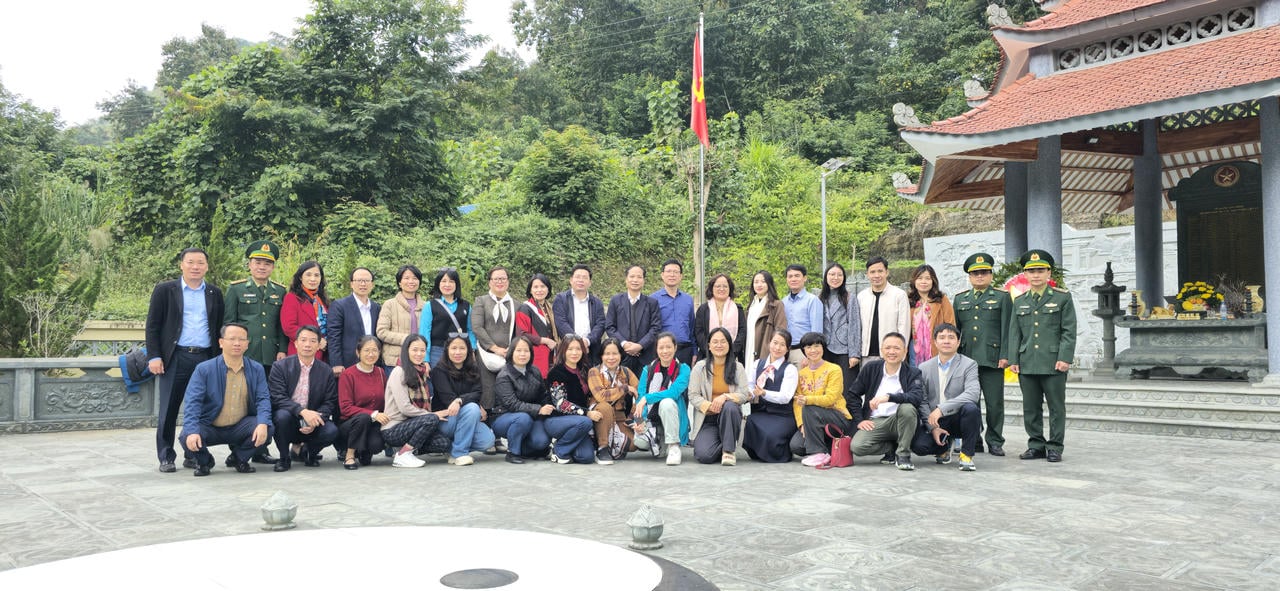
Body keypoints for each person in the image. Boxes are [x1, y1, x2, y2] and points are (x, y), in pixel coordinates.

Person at [146, 247, 227, 473]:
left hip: (205, 357)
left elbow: (219, 327)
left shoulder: (214, 293)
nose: (195, 267)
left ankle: (192, 453)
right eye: (190, 262)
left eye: (200, 263)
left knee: (201, 408)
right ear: (181, 264)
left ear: (207, 266)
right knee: (169, 408)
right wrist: (154, 355)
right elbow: (152, 325)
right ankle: (166, 455)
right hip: (175, 357)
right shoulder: (165, 290)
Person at [1008, 249, 1077, 463]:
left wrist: (1065, 358)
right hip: (1027, 362)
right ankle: (1036, 444)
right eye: (1031, 271)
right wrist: (1013, 360)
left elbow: (1069, 331)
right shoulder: (1019, 301)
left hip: (1053, 362)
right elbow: (1014, 333)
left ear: (1049, 273)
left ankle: (1055, 446)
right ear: (1025, 275)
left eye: (1040, 270)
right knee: (1030, 407)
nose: (1036, 275)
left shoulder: (1062, 298)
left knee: (1056, 407)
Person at [179, 323, 273, 476]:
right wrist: (192, 431)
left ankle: (239, 458)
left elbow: (263, 399)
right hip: (210, 425)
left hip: (240, 426)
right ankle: (205, 462)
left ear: (247, 344)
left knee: (267, 427)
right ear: (221, 342)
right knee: (187, 435)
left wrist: (262, 423)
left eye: (242, 339)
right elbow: (192, 403)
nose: (237, 343)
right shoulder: (204, 369)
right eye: (232, 339)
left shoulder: (256, 369)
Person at [491, 335, 595, 464]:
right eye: (519, 351)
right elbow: (512, 404)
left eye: (526, 351)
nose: (522, 354)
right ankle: (513, 452)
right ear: (511, 352)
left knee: (541, 442)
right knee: (523, 418)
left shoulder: (534, 371)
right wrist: (539, 409)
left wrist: (547, 405)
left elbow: (543, 394)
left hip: (532, 415)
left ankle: (527, 450)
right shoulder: (504, 375)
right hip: (506, 417)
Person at [951, 252, 1012, 456]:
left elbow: (1008, 329)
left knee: (995, 404)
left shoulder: (1002, 297)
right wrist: (955, 359)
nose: (980, 277)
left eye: (984, 273)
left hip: (993, 359)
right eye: (975, 273)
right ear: (969, 276)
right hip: (967, 360)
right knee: (970, 403)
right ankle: (974, 438)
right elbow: (956, 332)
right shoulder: (960, 299)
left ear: (991, 275)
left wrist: (1006, 355)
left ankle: (995, 440)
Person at [847, 333, 924, 470]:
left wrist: (889, 397)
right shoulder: (871, 368)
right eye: (888, 348)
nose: (892, 352)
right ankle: (891, 447)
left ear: (905, 351)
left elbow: (916, 397)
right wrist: (859, 420)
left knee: (907, 408)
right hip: (875, 420)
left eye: (896, 348)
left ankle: (903, 455)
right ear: (882, 350)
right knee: (857, 447)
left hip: (900, 420)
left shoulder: (913, 372)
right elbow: (853, 395)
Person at [911, 323, 982, 471]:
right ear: (935, 342)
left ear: (958, 342)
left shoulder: (969, 364)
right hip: (936, 421)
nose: (946, 341)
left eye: (951, 337)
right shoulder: (924, 367)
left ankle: (966, 455)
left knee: (971, 409)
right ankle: (943, 447)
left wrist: (942, 409)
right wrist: (931, 427)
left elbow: (972, 393)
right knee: (919, 447)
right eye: (942, 337)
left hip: (959, 419)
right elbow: (922, 400)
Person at [267, 325, 338, 472]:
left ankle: (309, 453)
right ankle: (284, 458)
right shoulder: (280, 366)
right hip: (290, 418)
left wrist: (317, 418)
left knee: (331, 430)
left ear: (319, 345)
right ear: (296, 343)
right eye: (303, 340)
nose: (307, 345)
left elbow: (330, 401)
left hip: (313, 419)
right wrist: (302, 412)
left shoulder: (326, 371)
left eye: (313, 341)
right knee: (281, 416)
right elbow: (277, 397)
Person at [428, 333, 498, 466]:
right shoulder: (439, 370)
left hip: (466, 416)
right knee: (472, 408)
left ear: (468, 350)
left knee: (488, 440)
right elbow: (449, 399)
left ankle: (452, 448)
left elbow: (478, 392)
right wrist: (471, 404)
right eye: (454, 348)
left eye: (462, 348)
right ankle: (459, 453)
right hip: (446, 419)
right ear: (447, 349)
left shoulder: (474, 368)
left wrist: (461, 400)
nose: (458, 352)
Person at [786, 332, 853, 467]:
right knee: (796, 446)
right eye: (809, 347)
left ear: (823, 348)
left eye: (817, 346)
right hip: (812, 420)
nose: (813, 350)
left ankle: (818, 453)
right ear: (803, 350)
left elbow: (830, 398)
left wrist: (807, 400)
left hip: (836, 416)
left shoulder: (834, 369)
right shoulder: (801, 374)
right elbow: (797, 402)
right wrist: (802, 424)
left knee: (809, 406)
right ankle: (827, 450)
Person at [223, 240, 287, 375]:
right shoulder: (236, 289)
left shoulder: (280, 291)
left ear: (273, 267)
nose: (262, 267)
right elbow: (229, 323)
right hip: (245, 351)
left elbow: (281, 325)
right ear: (249, 265)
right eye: (257, 263)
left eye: (267, 264)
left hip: (271, 353)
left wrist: (282, 349)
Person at [688, 327, 750, 465]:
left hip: (729, 416)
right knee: (704, 456)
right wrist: (709, 406)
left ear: (729, 344)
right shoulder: (700, 367)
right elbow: (693, 395)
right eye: (715, 342)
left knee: (730, 406)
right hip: (708, 418)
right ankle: (726, 440)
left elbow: (744, 394)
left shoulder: (738, 367)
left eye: (723, 341)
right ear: (709, 346)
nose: (719, 345)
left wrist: (725, 397)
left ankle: (728, 451)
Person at [382, 335, 444, 468]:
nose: (419, 354)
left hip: (412, 424)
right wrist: (432, 415)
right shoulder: (399, 372)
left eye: (422, 350)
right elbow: (405, 408)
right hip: (394, 428)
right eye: (415, 350)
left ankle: (409, 449)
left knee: (443, 443)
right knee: (431, 419)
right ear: (406, 350)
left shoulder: (421, 372)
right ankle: (403, 455)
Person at [546, 335, 611, 463]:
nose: (574, 353)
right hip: (557, 420)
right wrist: (587, 413)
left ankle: (564, 443)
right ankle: (558, 449)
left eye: (578, 349)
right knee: (586, 422)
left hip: (578, 422)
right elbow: (560, 404)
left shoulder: (585, 370)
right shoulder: (556, 372)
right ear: (563, 351)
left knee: (586, 457)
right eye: (570, 349)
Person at [633, 332, 691, 465]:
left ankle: (673, 446)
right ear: (656, 349)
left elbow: (673, 392)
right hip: (653, 421)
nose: (665, 351)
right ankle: (660, 441)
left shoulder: (684, 369)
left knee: (667, 402)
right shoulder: (647, 370)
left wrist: (648, 398)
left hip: (674, 420)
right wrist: (639, 420)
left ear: (675, 348)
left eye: (668, 347)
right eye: (661, 347)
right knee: (639, 441)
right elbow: (640, 399)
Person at [743, 331, 799, 463]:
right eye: (775, 343)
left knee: (770, 435)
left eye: (782, 345)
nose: (777, 348)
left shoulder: (790, 369)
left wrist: (764, 393)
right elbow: (750, 384)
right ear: (769, 343)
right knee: (751, 421)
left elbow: (786, 397)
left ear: (787, 349)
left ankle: (783, 453)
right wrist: (750, 394)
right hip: (763, 411)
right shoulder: (758, 364)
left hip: (783, 415)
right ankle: (758, 453)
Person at [336, 336, 387, 470]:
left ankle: (363, 450)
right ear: (358, 353)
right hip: (351, 424)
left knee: (376, 445)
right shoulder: (348, 374)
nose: (371, 354)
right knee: (363, 418)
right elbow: (345, 408)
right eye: (366, 350)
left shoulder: (381, 372)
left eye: (375, 350)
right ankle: (350, 455)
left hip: (372, 424)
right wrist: (373, 414)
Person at [586, 338, 640, 463]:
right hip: (600, 414)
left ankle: (614, 446)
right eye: (607, 354)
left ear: (621, 355)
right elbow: (601, 396)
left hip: (620, 416)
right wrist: (625, 388)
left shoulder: (626, 372)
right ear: (601, 356)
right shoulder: (594, 372)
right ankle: (603, 448)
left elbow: (640, 395)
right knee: (605, 406)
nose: (611, 358)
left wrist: (636, 420)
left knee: (635, 444)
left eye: (615, 353)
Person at [473, 266, 518, 411]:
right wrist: (494, 348)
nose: (500, 281)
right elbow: (477, 327)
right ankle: (488, 419)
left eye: (503, 278)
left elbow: (519, 331)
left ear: (508, 281)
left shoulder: (516, 304)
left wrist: (511, 350)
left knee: (508, 387)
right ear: (489, 282)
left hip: (509, 354)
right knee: (488, 389)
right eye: (496, 279)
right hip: (486, 354)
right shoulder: (481, 301)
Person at [605, 265, 663, 374]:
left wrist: (640, 345)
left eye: (639, 277)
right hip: (621, 355)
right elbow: (610, 327)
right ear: (626, 279)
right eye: (632, 276)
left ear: (643, 280)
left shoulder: (652, 303)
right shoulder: (616, 301)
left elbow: (655, 328)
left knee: (644, 388)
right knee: (621, 389)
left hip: (645, 356)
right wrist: (624, 344)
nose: (635, 280)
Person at [328, 267, 381, 376]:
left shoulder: (376, 308)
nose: (363, 284)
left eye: (366, 281)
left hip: (372, 363)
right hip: (348, 363)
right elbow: (333, 337)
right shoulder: (339, 306)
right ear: (351, 284)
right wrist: (336, 362)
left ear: (372, 284)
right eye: (359, 281)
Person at [419, 267, 477, 367]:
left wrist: (472, 349)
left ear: (456, 284)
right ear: (438, 284)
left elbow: (470, 330)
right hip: (437, 352)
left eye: (451, 281)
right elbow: (425, 333)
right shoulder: (430, 305)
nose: (447, 285)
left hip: (459, 352)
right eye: (443, 281)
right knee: (438, 380)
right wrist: (425, 359)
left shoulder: (466, 305)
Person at [858, 256, 911, 362]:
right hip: (866, 355)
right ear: (867, 274)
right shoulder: (861, 296)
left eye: (880, 271)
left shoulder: (899, 295)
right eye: (872, 272)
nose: (876, 275)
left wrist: (901, 353)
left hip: (891, 355)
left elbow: (903, 326)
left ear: (887, 272)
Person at [819, 263, 862, 391]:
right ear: (826, 277)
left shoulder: (849, 297)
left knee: (847, 388)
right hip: (825, 349)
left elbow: (855, 325)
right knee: (827, 388)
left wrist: (854, 354)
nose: (835, 278)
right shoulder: (820, 298)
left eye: (839, 275)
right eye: (832, 274)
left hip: (844, 349)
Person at [552, 264, 607, 364]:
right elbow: (561, 323)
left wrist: (587, 341)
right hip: (568, 350)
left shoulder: (597, 302)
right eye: (577, 277)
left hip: (591, 350)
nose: (581, 280)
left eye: (585, 278)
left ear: (590, 282)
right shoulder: (561, 299)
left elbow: (600, 324)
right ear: (571, 280)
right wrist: (578, 343)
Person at [376, 265, 426, 368]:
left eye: (415, 278)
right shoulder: (389, 304)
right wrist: (407, 339)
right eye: (406, 278)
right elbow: (381, 331)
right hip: (395, 360)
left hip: (419, 360)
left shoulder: (426, 306)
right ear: (399, 282)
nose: (411, 281)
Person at [906, 264, 955, 366]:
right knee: (916, 378)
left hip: (936, 347)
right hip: (914, 349)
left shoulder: (941, 299)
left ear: (933, 281)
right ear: (914, 281)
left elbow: (951, 325)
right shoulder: (909, 301)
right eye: (920, 278)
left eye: (927, 278)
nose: (923, 282)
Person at [281, 261, 330, 361]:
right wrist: (316, 341)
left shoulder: (322, 300)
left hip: (324, 354)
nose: (313, 279)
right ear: (300, 277)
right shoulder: (292, 298)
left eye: (317, 275)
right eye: (308, 275)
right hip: (301, 354)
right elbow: (289, 327)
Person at [652, 259, 698, 365]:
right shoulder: (653, 299)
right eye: (668, 271)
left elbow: (691, 327)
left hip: (685, 350)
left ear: (681, 276)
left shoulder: (688, 299)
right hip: (663, 351)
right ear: (662, 275)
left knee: (684, 380)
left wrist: (694, 351)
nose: (672, 275)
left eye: (676, 272)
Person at [694, 273, 747, 364]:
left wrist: (731, 352)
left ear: (730, 288)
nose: (721, 289)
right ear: (712, 288)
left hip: (733, 358)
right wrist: (711, 351)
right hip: (707, 357)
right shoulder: (703, 309)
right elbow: (699, 333)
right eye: (718, 286)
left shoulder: (738, 309)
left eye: (725, 286)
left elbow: (742, 332)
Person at [744, 270, 787, 375]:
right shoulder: (750, 306)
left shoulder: (776, 305)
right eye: (756, 282)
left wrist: (772, 349)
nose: (759, 285)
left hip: (766, 352)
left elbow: (781, 331)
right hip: (749, 349)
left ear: (769, 284)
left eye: (763, 281)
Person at [515, 273, 559, 377]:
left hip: (550, 356)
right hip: (535, 357)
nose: (539, 290)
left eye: (543, 286)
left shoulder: (549, 308)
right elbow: (521, 334)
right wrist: (545, 340)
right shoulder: (525, 308)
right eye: (535, 287)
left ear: (548, 289)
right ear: (530, 290)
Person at [781, 265, 823, 366]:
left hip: (803, 352)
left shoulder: (812, 300)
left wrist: (810, 355)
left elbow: (816, 331)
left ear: (804, 278)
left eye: (797, 276)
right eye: (790, 276)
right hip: (786, 352)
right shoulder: (783, 302)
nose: (793, 279)